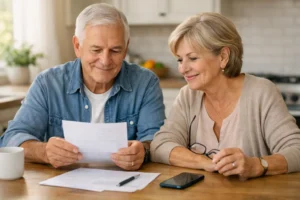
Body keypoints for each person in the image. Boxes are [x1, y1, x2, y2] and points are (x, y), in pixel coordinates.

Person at [0, 3, 165, 171]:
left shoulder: (145, 83)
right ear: (77, 46)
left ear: (126, 47)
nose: (105, 60)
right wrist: (44, 152)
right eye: (96, 50)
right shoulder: (48, 84)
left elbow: (156, 141)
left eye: (115, 50)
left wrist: (143, 151)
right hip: (62, 190)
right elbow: (11, 138)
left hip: (125, 188)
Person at [150, 12, 300, 180]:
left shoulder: (261, 92)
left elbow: (296, 150)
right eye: (179, 60)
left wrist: (257, 165)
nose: (182, 69)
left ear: (223, 57)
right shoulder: (188, 96)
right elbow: (160, 146)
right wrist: (204, 162)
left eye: (192, 58)